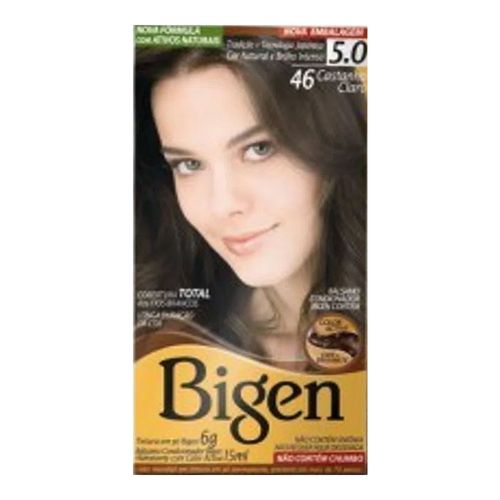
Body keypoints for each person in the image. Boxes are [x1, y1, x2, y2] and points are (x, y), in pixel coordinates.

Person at [135, 46, 366, 364]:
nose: (221, 205)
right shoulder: (162, 345)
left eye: (259, 149)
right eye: (189, 164)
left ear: (330, 137)